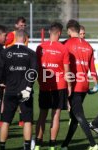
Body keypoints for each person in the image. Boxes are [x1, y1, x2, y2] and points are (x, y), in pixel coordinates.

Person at [0, 29, 37, 150]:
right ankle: (26, 147)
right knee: (27, 121)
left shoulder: (6, 52)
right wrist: (28, 88)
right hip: (25, 92)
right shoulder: (31, 53)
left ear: (15, 38)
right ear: (25, 39)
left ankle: (2, 147)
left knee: (5, 121)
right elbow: (33, 73)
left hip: (10, 91)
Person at [60, 19, 98, 150]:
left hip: (73, 84)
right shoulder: (88, 46)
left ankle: (93, 144)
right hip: (84, 85)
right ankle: (65, 145)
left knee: (78, 115)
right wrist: (96, 83)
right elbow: (92, 67)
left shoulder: (66, 44)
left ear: (70, 30)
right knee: (75, 117)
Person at [34, 22, 70, 150]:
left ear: (49, 32)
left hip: (44, 86)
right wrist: (69, 87)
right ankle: (52, 145)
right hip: (59, 86)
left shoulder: (40, 47)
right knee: (56, 115)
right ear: (59, 33)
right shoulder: (63, 48)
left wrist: (40, 81)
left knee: (42, 115)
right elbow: (67, 71)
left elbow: (36, 68)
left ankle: (38, 144)